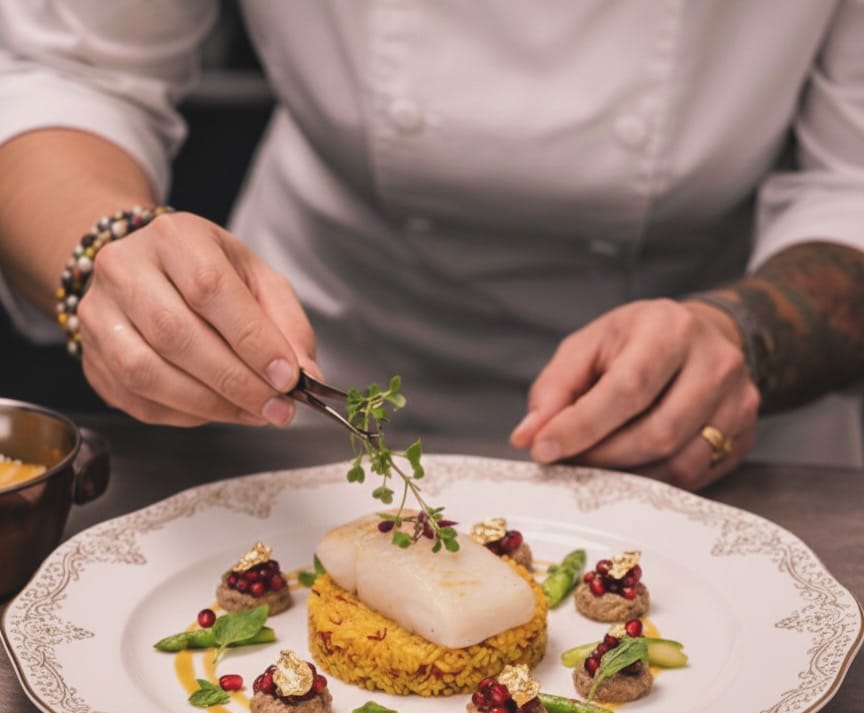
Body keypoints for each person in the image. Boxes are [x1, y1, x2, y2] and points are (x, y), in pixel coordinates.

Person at [0, 1, 862, 490]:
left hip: (710, 416)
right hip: (302, 377)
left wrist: (744, 334)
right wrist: (109, 255)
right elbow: (69, 73)